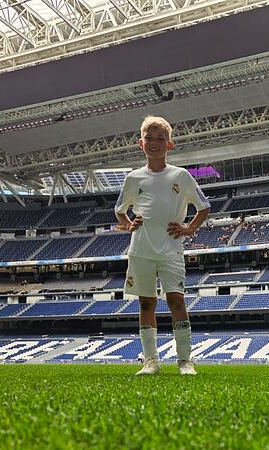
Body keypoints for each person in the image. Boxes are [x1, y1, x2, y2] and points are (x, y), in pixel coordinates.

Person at [115, 116, 210, 376]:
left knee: (176, 300)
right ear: (140, 143)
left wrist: (189, 228)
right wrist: (127, 224)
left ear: (170, 144)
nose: (154, 143)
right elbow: (119, 210)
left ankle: (184, 361)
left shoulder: (181, 175)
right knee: (146, 304)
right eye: (149, 138)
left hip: (171, 249)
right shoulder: (133, 178)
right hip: (141, 249)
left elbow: (204, 207)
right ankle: (151, 361)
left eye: (160, 139)